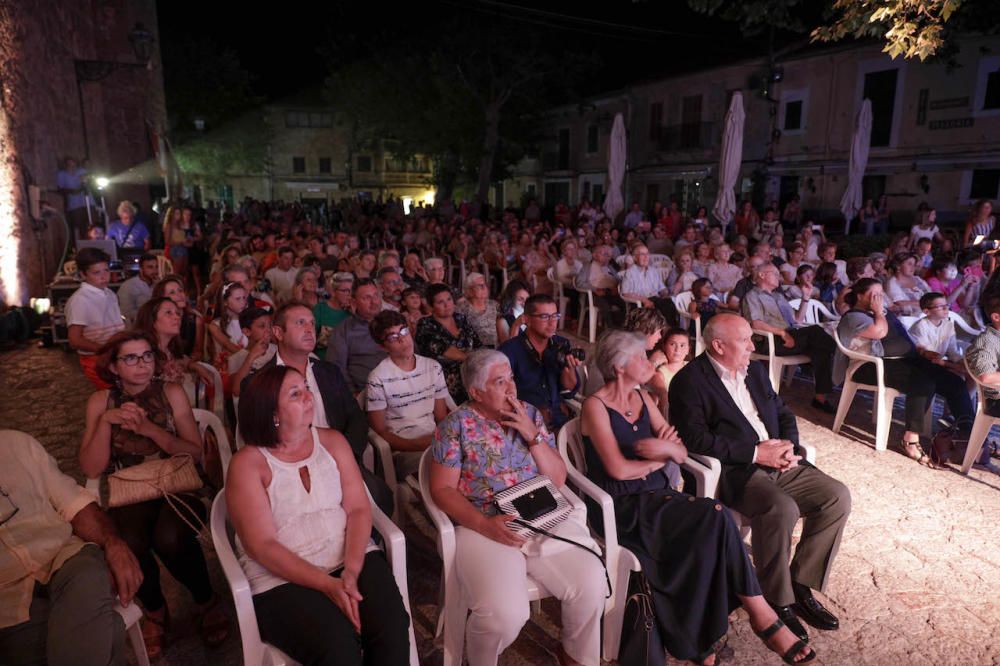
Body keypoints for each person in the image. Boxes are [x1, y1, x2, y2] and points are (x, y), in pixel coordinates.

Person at [583, 331, 815, 665]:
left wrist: (665, 451)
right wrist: (658, 457)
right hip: (624, 507)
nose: (650, 361)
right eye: (640, 358)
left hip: (658, 497)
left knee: (709, 533)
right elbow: (618, 470)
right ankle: (761, 617)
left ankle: (706, 643)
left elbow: (679, 451)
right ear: (619, 367)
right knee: (716, 516)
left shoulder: (643, 399)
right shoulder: (596, 406)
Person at [669, 314, 851, 644]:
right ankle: (776, 599)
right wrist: (755, 453)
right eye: (745, 341)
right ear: (719, 345)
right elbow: (695, 439)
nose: (753, 346)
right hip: (737, 470)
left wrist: (789, 448)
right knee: (781, 508)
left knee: (836, 495)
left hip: (780, 462)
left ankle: (800, 583)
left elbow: (781, 411)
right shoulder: (689, 381)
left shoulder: (754, 370)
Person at [427, 350, 606, 666]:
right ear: (476, 392)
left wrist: (533, 435)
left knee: (591, 581)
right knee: (504, 613)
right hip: (483, 521)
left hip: (540, 512)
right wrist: (484, 525)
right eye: (500, 382)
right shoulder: (455, 426)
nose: (511, 387)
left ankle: (576, 656)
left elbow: (559, 477)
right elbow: (441, 490)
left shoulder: (529, 414)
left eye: (510, 378)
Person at [227, 366, 411, 665]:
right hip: (282, 577)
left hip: (349, 554)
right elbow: (261, 545)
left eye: (305, 388)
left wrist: (350, 572)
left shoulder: (332, 441)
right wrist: (328, 585)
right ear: (272, 412)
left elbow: (359, 508)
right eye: (295, 393)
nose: (309, 396)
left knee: (391, 626)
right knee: (337, 647)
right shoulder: (248, 464)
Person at [79, 331, 228, 657]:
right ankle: (156, 611)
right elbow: (91, 468)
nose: (142, 364)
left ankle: (206, 600)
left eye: (146, 356)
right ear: (114, 367)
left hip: (179, 483)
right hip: (129, 490)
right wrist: (106, 423)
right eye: (130, 358)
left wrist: (149, 430)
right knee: (129, 539)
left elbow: (194, 453)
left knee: (170, 537)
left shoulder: (171, 392)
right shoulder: (100, 401)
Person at [0, 430, 144, 666]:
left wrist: (113, 543)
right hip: (7, 596)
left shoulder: (15, 443)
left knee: (88, 575)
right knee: (108, 630)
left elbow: (73, 502)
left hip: (63, 558)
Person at [242, 302, 393, 516]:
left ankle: (365, 547)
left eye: (312, 323)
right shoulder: (258, 383)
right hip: (288, 469)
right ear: (278, 332)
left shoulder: (329, 372)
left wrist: (343, 455)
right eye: (300, 323)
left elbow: (356, 418)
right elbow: (257, 438)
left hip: (338, 459)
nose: (309, 329)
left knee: (380, 497)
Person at [834, 279, 973, 467]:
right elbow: (879, 332)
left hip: (903, 361)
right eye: (874, 294)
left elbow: (905, 338)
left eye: (880, 294)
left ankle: (968, 435)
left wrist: (922, 352)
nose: (879, 298)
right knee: (923, 383)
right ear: (860, 296)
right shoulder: (854, 316)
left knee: (953, 382)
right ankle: (910, 440)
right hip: (870, 366)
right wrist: (877, 311)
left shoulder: (883, 312)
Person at [741, 263, 838, 412]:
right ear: (762, 275)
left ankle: (820, 398)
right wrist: (782, 333)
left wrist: (806, 297)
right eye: (775, 273)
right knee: (817, 333)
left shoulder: (779, 296)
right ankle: (841, 354)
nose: (778, 277)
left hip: (789, 335)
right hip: (769, 340)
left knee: (821, 349)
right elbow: (756, 324)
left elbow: (797, 320)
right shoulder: (752, 296)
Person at [366, 310, 450, 480]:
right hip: (403, 450)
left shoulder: (432, 367)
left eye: (404, 331)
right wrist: (416, 445)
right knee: (439, 471)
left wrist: (439, 440)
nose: (402, 339)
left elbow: (441, 417)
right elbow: (380, 431)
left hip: (435, 440)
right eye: (392, 337)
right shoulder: (378, 378)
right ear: (383, 346)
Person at [499, 294, 581, 429]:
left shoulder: (561, 344)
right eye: (544, 317)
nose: (552, 322)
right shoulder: (509, 351)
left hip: (559, 419)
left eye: (555, 316)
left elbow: (569, 391)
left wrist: (569, 370)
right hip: (525, 423)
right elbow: (501, 396)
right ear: (527, 319)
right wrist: (532, 412)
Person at [65, 247, 126, 388]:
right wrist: (104, 349)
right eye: (96, 273)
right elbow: (75, 340)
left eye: (106, 270)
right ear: (83, 274)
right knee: (113, 394)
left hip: (114, 354)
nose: (104, 276)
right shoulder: (80, 300)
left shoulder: (110, 294)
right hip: (96, 359)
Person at [416, 283, 483, 403]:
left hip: (471, 374)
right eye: (440, 302)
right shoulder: (425, 324)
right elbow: (443, 349)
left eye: (449, 299)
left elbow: (477, 344)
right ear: (431, 306)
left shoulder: (461, 319)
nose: (447, 305)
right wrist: (474, 359)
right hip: (442, 382)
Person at [134, 297, 213, 388]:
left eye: (177, 313)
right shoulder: (144, 356)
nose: (177, 317)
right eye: (168, 313)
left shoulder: (168, 350)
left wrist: (193, 365)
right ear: (151, 320)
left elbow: (180, 361)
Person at [326, 278, 389, 393]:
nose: (374, 302)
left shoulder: (393, 322)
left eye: (375, 295)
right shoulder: (343, 330)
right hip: (365, 394)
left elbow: (412, 353)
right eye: (367, 298)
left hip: (401, 386)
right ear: (353, 302)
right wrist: (353, 395)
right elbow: (336, 367)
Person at [619, 244, 679, 326]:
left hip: (655, 299)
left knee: (669, 302)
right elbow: (625, 293)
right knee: (664, 305)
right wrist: (644, 300)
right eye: (642, 254)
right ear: (635, 258)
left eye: (647, 254)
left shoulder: (653, 271)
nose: (646, 257)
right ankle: (667, 331)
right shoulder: (630, 273)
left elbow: (661, 288)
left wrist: (665, 293)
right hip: (638, 302)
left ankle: (670, 331)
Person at [152, 274, 205, 361]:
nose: (179, 295)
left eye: (180, 290)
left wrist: (188, 362)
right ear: (162, 298)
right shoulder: (157, 320)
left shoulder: (195, 320)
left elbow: (199, 352)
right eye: (172, 292)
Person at [908, 292, 964, 374]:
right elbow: (927, 355)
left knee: (970, 372)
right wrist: (948, 365)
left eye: (946, 305)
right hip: (922, 365)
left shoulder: (948, 325)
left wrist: (962, 361)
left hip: (938, 363)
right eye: (940, 307)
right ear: (927, 311)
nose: (946, 308)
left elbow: (952, 352)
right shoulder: (920, 326)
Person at [228, 307, 278, 397]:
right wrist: (251, 357)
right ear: (247, 331)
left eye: (270, 325)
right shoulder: (235, 359)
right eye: (262, 326)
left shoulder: (278, 350)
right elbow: (237, 391)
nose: (268, 330)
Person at [576, 243, 626, 326]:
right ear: (594, 255)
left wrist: (616, 287)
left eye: (608, 255)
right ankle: (611, 330)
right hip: (593, 295)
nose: (606, 257)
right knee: (605, 305)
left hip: (610, 293)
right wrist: (594, 289)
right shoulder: (587, 266)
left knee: (625, 302)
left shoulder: (609, 267)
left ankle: (622, 327)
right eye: (604, 254)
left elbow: (618, 279)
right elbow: (579, 283)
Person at [314, 272, 353, 357]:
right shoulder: (320, 309)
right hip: (323, 358)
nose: (349, 295)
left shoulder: (353, 312)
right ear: (334, 292)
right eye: (345, 291)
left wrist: (355, 314)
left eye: (351, 290)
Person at [456, 272, 499, 348]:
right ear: (469, 290)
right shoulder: (462, 308)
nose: (485, 288)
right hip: (476, 347)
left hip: (497, 345)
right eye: (480, 286)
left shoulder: (494, 304)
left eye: (485, 285)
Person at [117, 253, 158, 325]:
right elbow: (125, 313)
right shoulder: (128, 286)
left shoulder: (158, 284)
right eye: (150, 267)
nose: (155, 271)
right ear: (141, 269)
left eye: (156, 267)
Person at [885, 252, 931, 317]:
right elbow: (899, 303)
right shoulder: (892, 283)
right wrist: (924, 302)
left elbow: (931, 295)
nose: (913, 267)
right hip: (908, 318)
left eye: (914, 265)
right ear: (898, 266)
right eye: (909, 264)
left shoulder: (918, 279)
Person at [57, 156, 90, 239]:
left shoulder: (81, 171)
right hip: (74, 203)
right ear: (65, 165)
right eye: (69, 165)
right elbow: (60, 189)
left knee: (90, 223)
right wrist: (71, 191)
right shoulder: (62, 174)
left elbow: (87, 182)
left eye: (73, 165)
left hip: (87, 201)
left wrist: (83, 185)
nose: (72, 167)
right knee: (78, 226)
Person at [495, 279, 530, 345]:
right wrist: (516, 325)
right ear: (511, 299)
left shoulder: (532, 315)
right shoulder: (502, 321)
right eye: (520, 299)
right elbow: (507, 349)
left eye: (527, 299)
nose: (525, 303)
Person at [655, 327, 689, 391]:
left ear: (688, 349)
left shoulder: (693, 367)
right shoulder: (660, 374)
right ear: (664, 346)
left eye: (682, 345)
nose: (677, 349)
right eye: (672, 344)